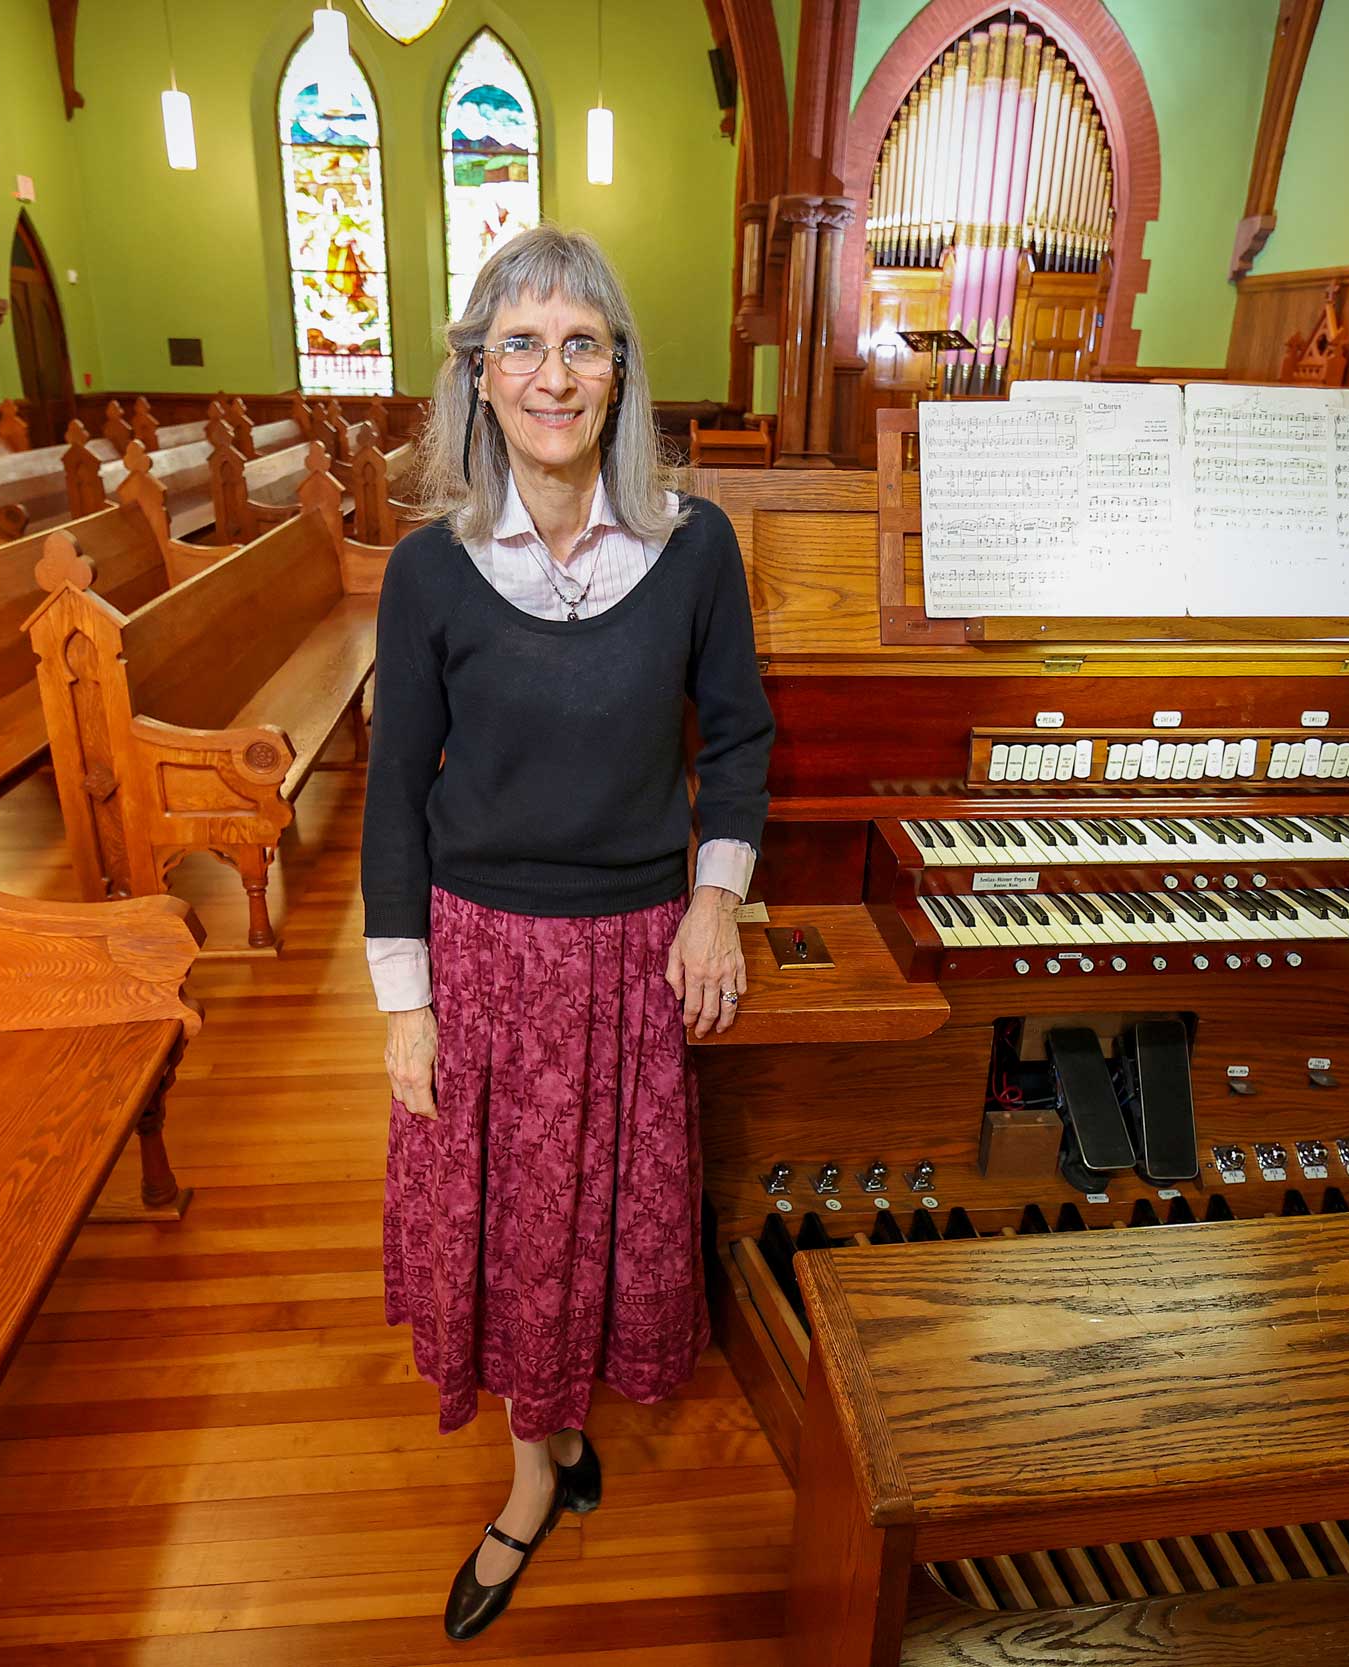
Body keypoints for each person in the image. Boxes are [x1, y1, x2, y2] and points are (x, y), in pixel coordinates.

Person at [361, 225, 774, 1642]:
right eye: (519, 345)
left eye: (581, 342)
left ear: (619, 374)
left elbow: (740, 736)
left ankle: (567, 1442)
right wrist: (401, 1001)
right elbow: (394, 800)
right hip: (480, 955)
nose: (552, 372)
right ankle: (534, 1474)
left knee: (599, 1223)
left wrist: (714, 898)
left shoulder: (692, 544)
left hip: (631, 951)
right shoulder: (429, 572)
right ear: (477, 378)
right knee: (505, 1233)